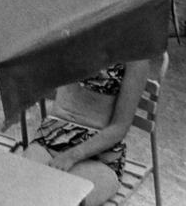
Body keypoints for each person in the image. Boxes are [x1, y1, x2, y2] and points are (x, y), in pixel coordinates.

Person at [26, 59, 161, 206]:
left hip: (98, 150)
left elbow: (119, 128)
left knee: (68, 199)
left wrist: (72, 155)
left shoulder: (135, 58)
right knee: (22, 188)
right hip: (51, 135)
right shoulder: (67, 43)